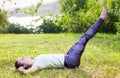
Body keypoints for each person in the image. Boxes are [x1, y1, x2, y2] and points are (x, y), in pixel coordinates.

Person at [15, 4, 108, 74]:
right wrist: (22, 70)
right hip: (70, 61)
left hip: (67, 57)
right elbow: (28, 72)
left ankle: (102, 18)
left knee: (81, 40)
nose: (25, 56)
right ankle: (102, 18)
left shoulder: (36, 60)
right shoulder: (36, 65)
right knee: (84, 37)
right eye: (22, 59)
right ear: (25, 65)